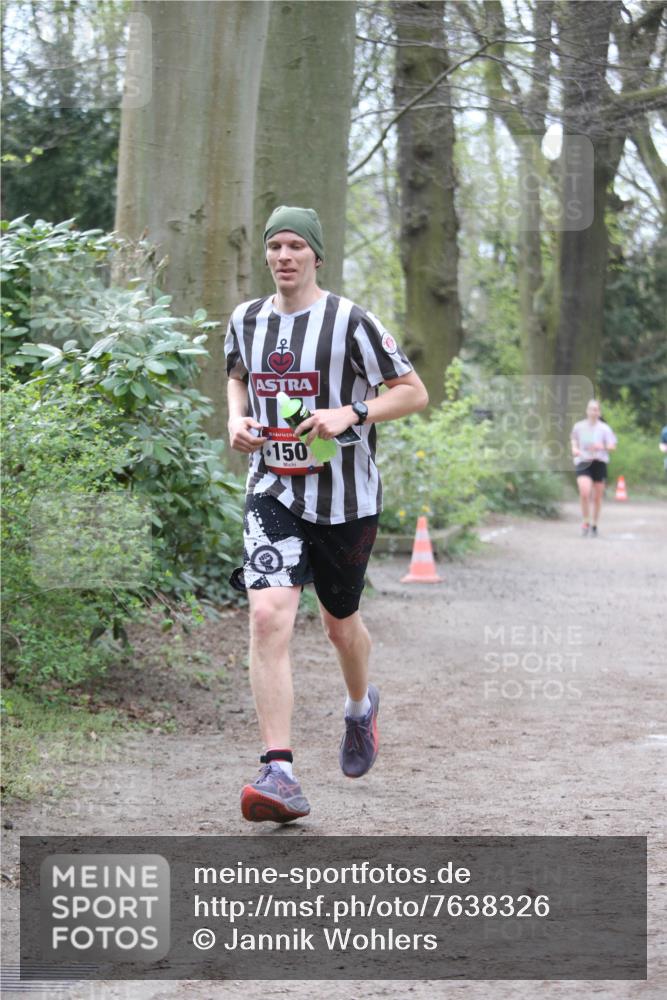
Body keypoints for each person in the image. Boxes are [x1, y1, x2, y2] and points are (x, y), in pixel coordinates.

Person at [224, 205, 428, 823]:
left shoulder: (351, 322)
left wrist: (353, 413)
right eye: (275, 246)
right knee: (268, 615)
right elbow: (237, 376)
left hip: (345, 500)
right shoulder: (246, 319)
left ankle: (361, 707)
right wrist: (235, 418)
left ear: (316, 254)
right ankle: (278, 770)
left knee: (340, 625)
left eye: (296, 247)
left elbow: (413, 392)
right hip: (274, 490)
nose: (284, 257)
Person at [570, 399, 617, 537]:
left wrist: (601, 446)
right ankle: (585, 521)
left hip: (599, 462)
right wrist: (574, 449)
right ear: (587, 411)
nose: (593, 412)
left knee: (597, 497)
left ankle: (595, 523)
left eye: (596, 409)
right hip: (584, 461)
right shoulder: (579, 427)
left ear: (599, 412)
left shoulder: (604, 428)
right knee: (584, 491)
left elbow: (612, 446)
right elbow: (574, 440)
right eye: (591, 409)